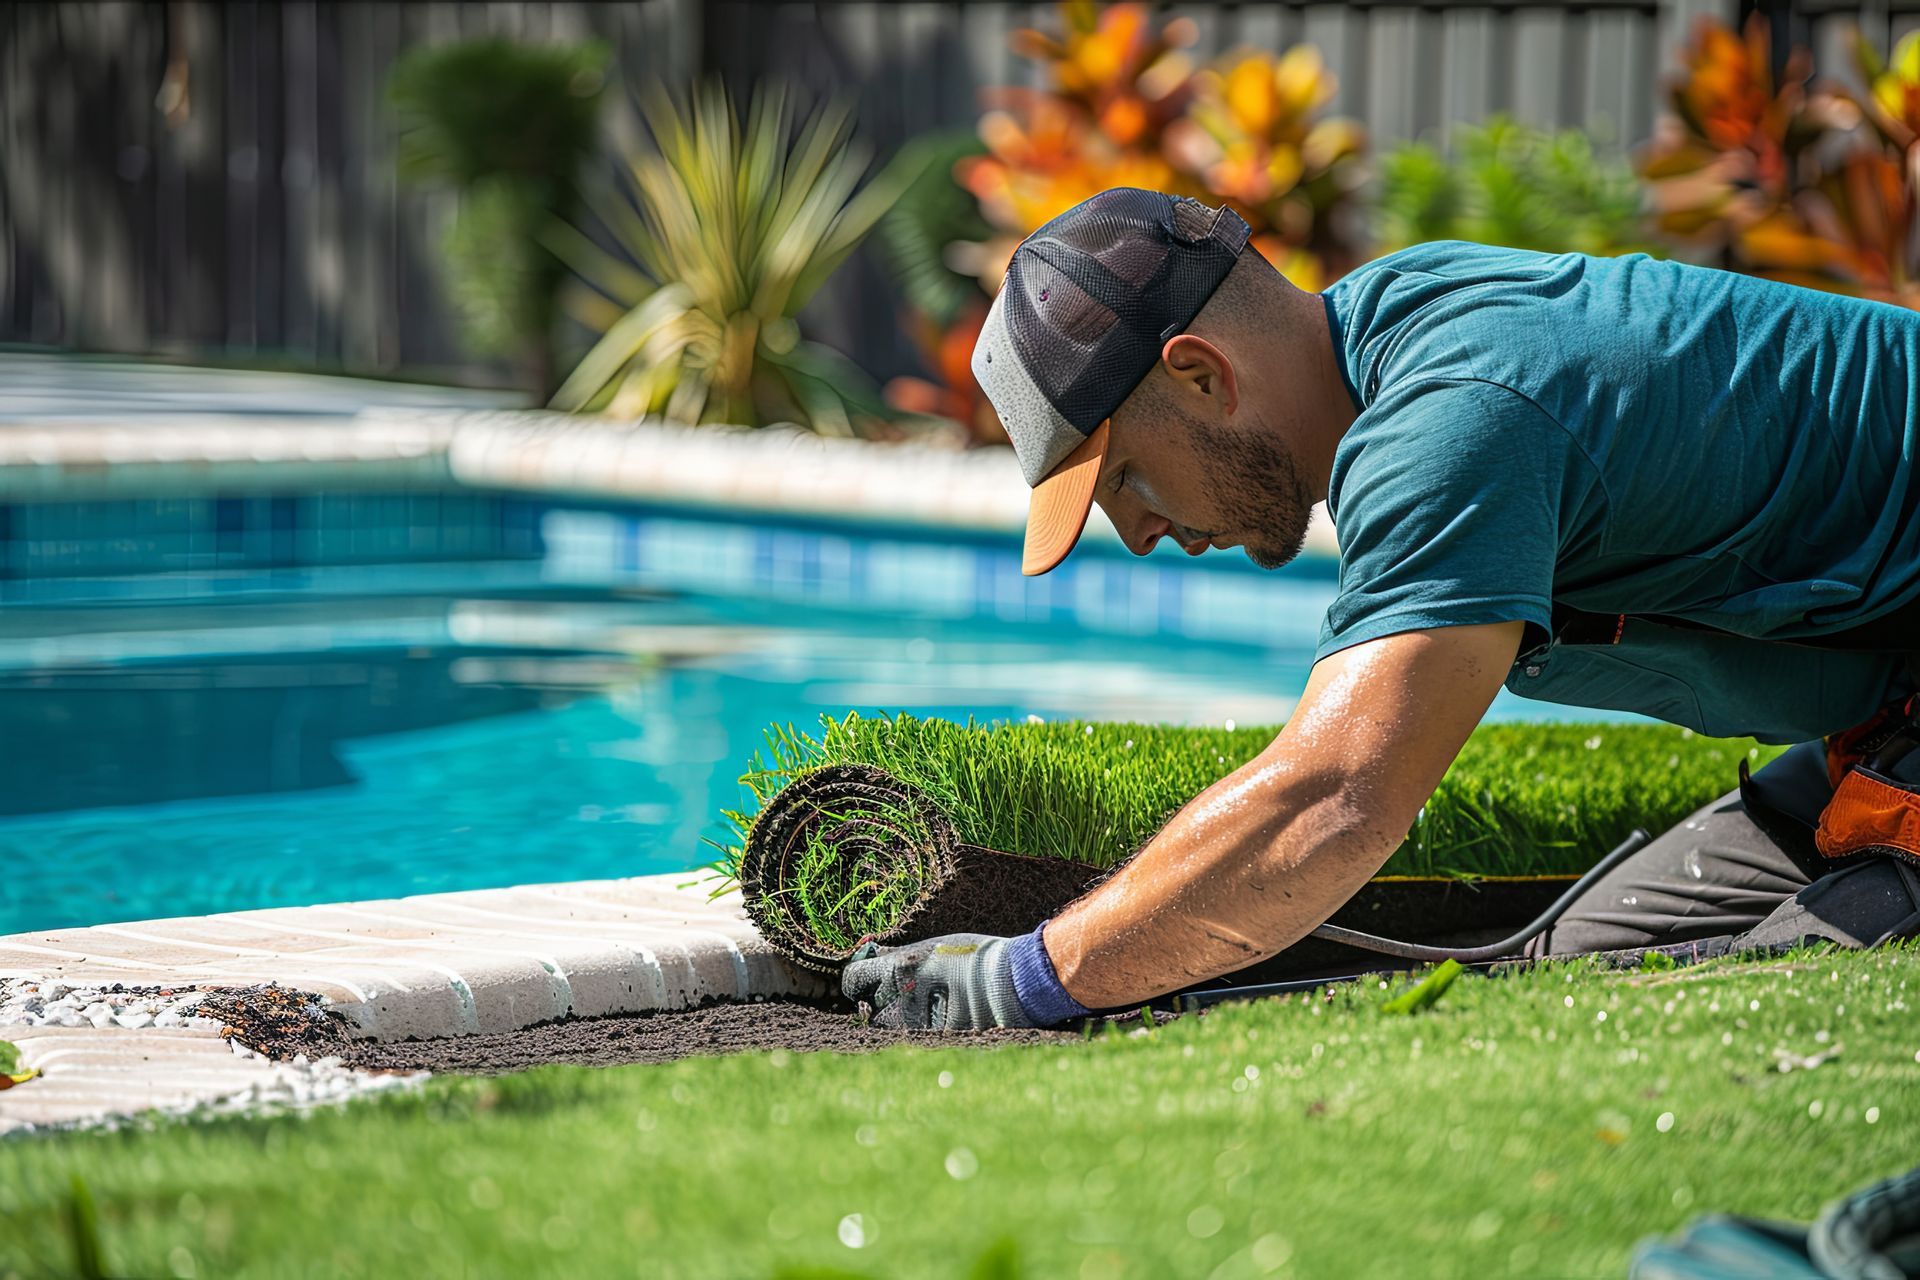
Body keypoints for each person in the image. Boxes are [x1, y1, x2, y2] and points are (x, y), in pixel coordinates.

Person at [842, 188, 1920, 1031]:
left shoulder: (1450, 422)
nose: (1138, 532)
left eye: (1124, 477)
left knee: (1735, 996)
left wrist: (1025, 978)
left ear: (1202, 376)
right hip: (1886, 704)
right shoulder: (1394, 324)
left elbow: (1336, 797)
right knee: (1566, 980)